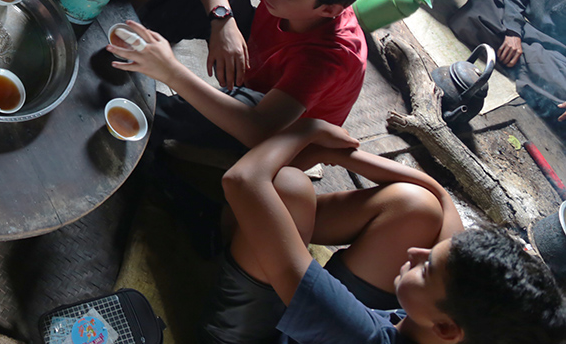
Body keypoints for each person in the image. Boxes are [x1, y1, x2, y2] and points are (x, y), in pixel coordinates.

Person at [212, 118, 566, 344]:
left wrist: (308, 131)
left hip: (251, 336)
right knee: (419, 206)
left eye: (426, 268)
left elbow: (242, 180)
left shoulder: (356, 333)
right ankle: (268, 232)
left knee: (286, 186)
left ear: (445, 329)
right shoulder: (456, 330)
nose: (416, 252)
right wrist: (340, 157)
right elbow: (441, 199)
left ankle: (235, 238)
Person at [128, 0, 372, 151]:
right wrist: (222, 20)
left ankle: (140, 112)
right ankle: (129, 44)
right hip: (257, 73)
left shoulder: (329, 58)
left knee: (194, 110)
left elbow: (259, 131)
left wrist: (171, 72)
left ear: (329, 10)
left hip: (277, 129)